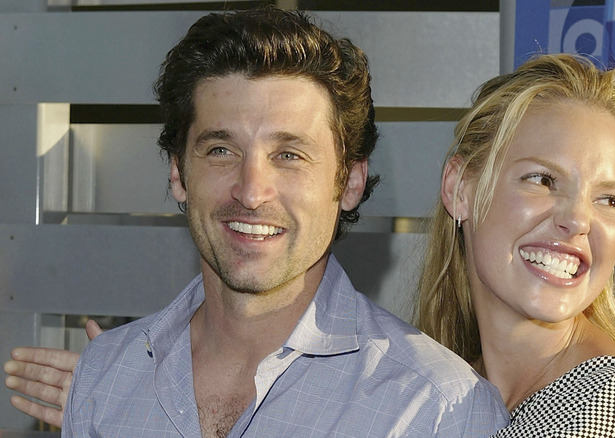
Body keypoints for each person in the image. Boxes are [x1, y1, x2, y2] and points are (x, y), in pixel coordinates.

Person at [6, 7, 509, 437]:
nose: (250, 191)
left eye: (289, 154)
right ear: (179, 173)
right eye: (221, 150)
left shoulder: (439, 410)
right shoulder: (103, 381)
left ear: (350, 183)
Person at [415, 53, 615, 437]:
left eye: (609, 199)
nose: (578, 220)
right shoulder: (437, 386)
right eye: (543, 180)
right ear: (459, 187)